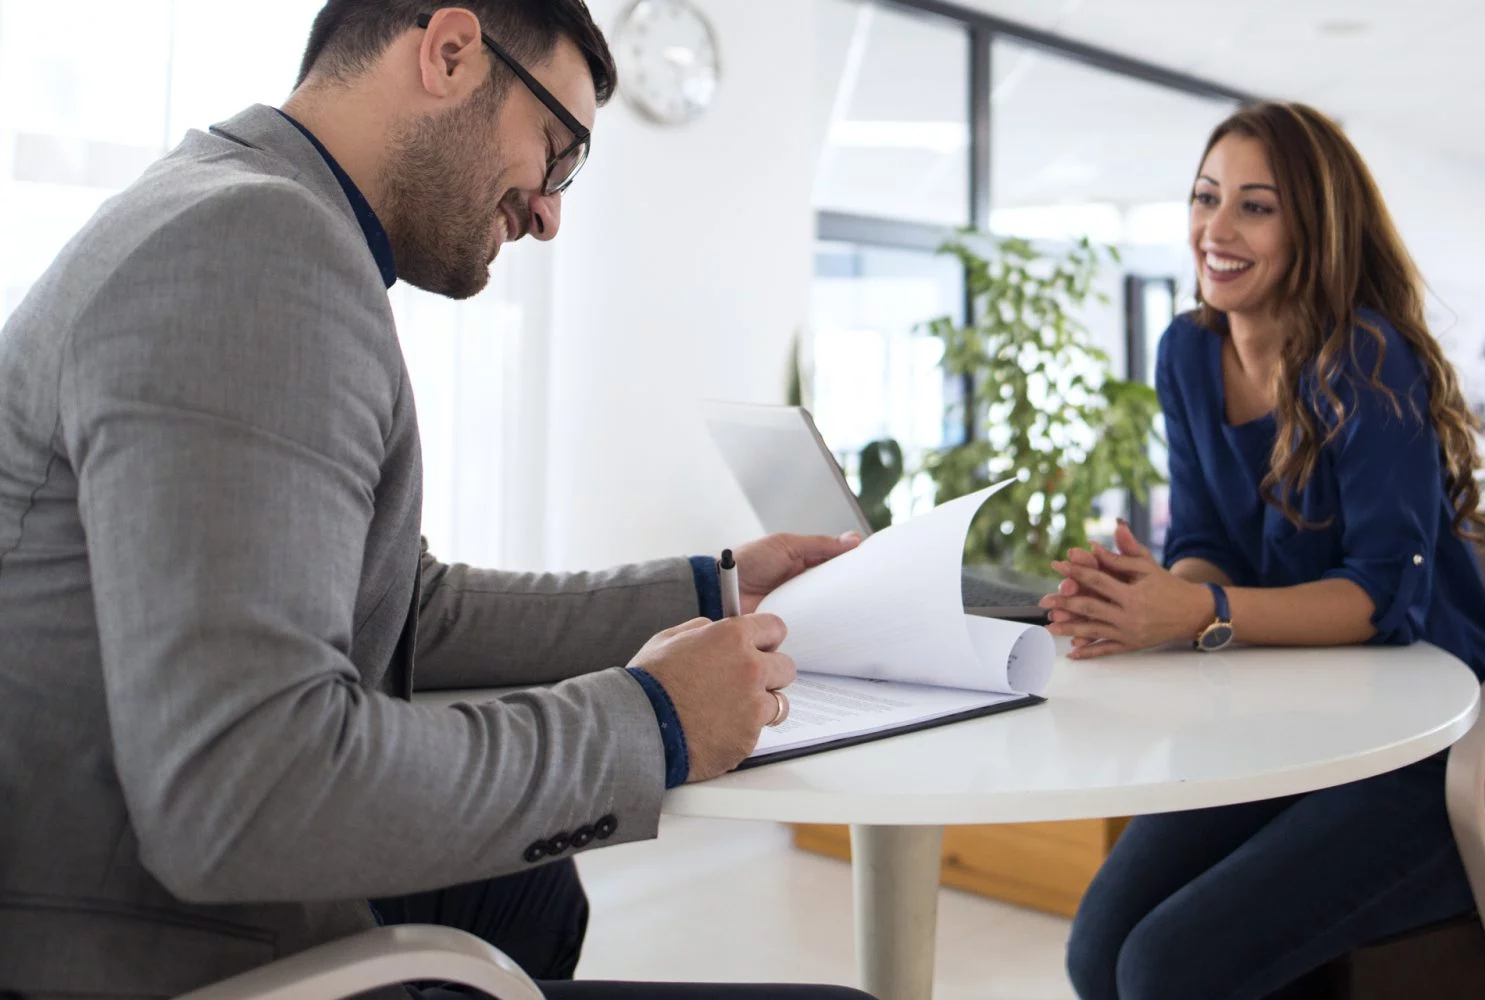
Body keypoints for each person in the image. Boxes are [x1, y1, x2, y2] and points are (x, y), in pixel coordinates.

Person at [0, 3, 872, 999]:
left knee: (533, 894)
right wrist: (653, 723)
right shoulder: (253, 246)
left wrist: (711, 591)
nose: (549, 212)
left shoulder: (237, 207)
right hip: (140, 943)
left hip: (111, 873)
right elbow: (244, 789)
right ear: (452, 53)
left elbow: (410, 604)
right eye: (559, 150)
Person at [1039, 99, 1485, 1000]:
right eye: (1206, 197)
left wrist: (1199, 611)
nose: (1216, 227)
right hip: (1300, 709)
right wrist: (1155, 600)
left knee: (1167, 967)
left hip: (1430, 738)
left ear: (1314, 230)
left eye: (1256, 205)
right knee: (1097, 953)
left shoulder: (1368, 360)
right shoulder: (1186, 351)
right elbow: (1208, 540)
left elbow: (1384, 601)